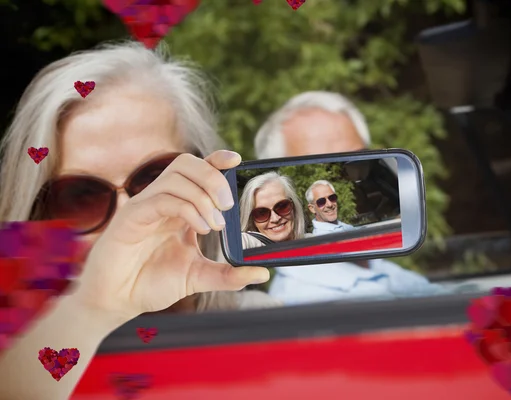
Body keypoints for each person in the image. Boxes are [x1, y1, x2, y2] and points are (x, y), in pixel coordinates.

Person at [0, 40, 278, 400]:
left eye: (157, 179)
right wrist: (94, 307)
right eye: (81, 196)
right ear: (38, 214)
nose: (131, 218)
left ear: (207, 177)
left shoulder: (265, 326)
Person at [258, 91, 447, 305]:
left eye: (359, 163)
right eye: (321, 168)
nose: (349, 181)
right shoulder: (305, 301)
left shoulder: (375, 264)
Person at [239, 171, 306, 249]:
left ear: (294, 206)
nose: (275, 219)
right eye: (262, 213)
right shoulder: (247, 242)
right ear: (251, 220)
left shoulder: (313, 241)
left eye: (282, 207)